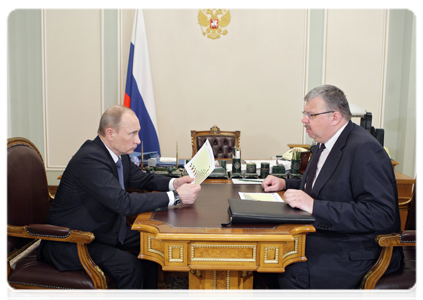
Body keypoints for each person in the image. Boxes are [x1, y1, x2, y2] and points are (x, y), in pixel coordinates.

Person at [37, 105, 201, 300]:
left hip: (102, 231)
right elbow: (124, 203)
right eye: (132, 134)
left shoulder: (117, 154)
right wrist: (176, 197)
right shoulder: (90, 158)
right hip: (71, 241)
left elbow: (141, 179)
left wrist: (175, 183)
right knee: (130, 267)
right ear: (110, 133)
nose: (138, 140)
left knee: (154, 247)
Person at [262, 85, 403, 300]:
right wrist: (285, 183)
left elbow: (381, 214)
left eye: (311, 115)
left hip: (358, 249)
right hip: (333, 235)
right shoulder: (325, 143)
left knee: (288, 270)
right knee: (271, 259)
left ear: (335, 117)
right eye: (304, 114)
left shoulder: (365, 148)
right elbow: (323, 184)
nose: (304, 120)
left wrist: (314, 206)